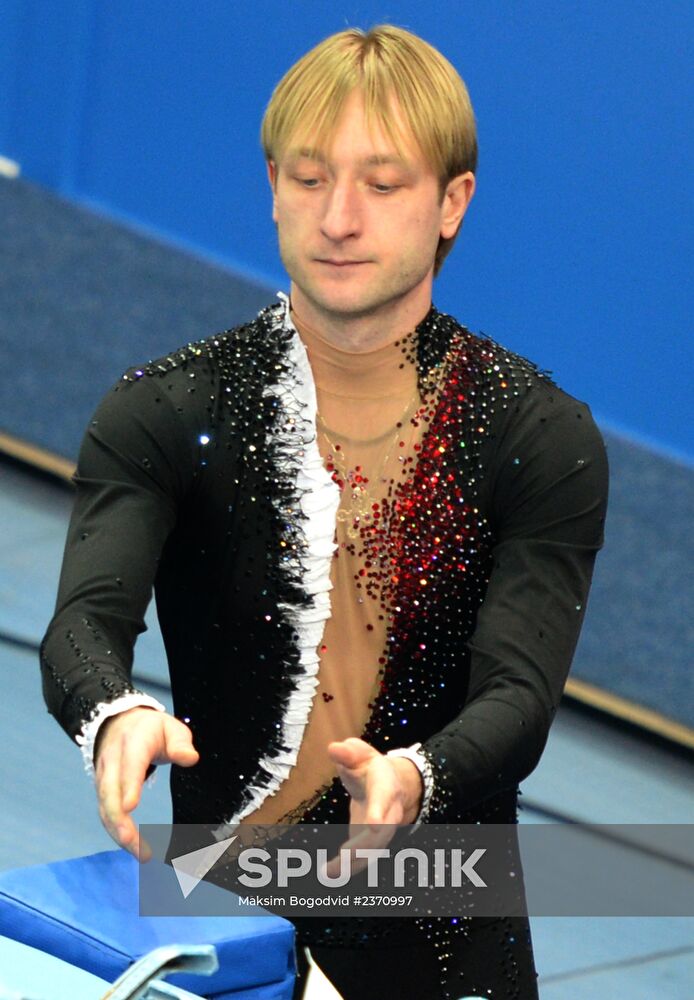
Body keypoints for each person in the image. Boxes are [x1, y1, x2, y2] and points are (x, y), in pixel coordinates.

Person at [41, 24, 608, 1000]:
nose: (338, 217)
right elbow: (85, 620)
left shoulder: (536, 434)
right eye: (309, 178)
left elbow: (517, 696)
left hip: (439, 945)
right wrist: (113, 710)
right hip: (227, 941)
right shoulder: (164, 411)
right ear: (271, 185)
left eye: (381, 185)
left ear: (450, 202)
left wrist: (417, 775)